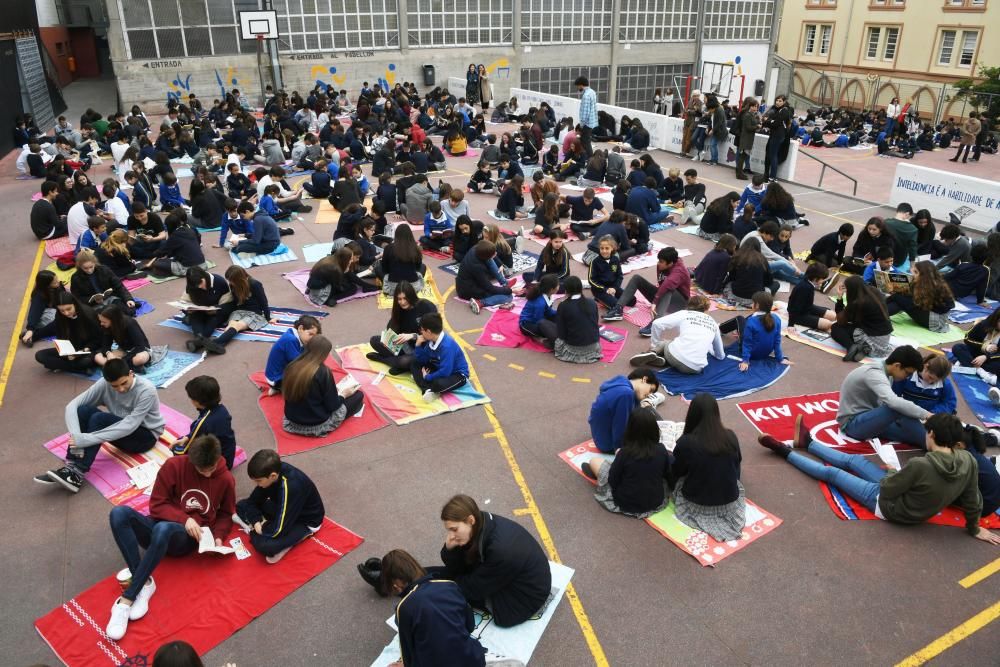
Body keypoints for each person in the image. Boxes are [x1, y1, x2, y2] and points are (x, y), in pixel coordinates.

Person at [757, 413, 1000, 544]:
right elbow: (973, 498)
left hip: (889, 505)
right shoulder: (967, 460)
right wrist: (974, 528)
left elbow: (888, 487)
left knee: (834, 473)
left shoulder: (921, 464)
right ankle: (807, 443)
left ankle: (783, 451)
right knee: (856, 462)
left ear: (932, 434)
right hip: (906, 498)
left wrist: (894, 471)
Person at [105, 434, 235, 640]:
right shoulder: (174, 465)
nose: (209, 474)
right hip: (160, 526)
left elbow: (226, 513)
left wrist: (218, 537)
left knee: (163, 529)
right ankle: (145, 583)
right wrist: (184, 518)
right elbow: (156, 504)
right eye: (203, 470)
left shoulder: (225, 477)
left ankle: (127, 599)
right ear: (192, 462)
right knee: (118, 513)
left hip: (184, 540)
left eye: (212, 468)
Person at [34, 358, 164, 493]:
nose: (120, 389)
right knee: (83, 410)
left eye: (124, 383)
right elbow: (72, 406)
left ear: (131, 373)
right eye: (114, 386)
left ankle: (77, 473)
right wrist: (77, 438)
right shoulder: (104, 384)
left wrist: (87, 439)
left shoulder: (146, 390)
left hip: (145, 437)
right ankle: (71, 466)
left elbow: (129, 425)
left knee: (99, 419)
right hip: (121, 428)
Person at [370, 549, 487, 667]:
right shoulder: (450, 585)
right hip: (474, 660)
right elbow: (470, 625)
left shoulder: (404, 607)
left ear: (396, 585)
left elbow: (408, 653)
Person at [671, 393, 745, 540]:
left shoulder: (686, 442)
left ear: (692, 415)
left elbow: (677, 472)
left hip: (696, 505)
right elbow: (737, 469)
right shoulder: (730, 436)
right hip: (730, 504)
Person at [234, 449, 325, 563]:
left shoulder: (291, 486)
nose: (257, 485)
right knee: (241, 505)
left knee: (265, 546)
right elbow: (251, 502)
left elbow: (278, 530)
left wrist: (260, 529)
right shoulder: (272, 473)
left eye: (258, 481)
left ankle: (296, 538)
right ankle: (268, 531)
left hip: (305, 521)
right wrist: (256, 522)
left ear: (272, 476)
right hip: (284, 508)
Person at [582, 407, 671, 518]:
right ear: (654, 429)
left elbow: (613, 480)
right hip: (655, 501)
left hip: (626, 502)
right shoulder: (661, 449)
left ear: (630, 429)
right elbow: (666, 473)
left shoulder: (625, 452)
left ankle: (596, 474)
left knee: (594, 461)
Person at [836, 345, 930, 446]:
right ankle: (931, 442)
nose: (907, 377)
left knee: (912, 433)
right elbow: (894, 403)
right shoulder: (875, 374)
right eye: (907, 373)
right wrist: (927, 415)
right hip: (852, 424)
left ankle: (934, 443)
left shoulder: (887, 369)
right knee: (897, 408)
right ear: (897, 365)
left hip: (870, 417)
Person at [282, 335, 364, 436]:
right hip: (317, 423)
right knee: (358, 396)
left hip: (292, 421)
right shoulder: (322, 372)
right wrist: (343, 395)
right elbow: (332, 406)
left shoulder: (291, 365)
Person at [630, 295, 725, 373]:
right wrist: (710, 350)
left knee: (667, 343)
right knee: (679, 355)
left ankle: (653, 352)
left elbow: (656, 323)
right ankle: (662, 361)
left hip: (675, 356)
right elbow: (720, 355)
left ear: (689, 305)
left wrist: (654, 344)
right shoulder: (714, 323)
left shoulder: (685, 313)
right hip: (695, 368)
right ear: (707, 308)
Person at [366, 281, 438, 374]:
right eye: (399, 299)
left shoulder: (426, 306)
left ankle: (382, 359)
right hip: (406, 346)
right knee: (374, 340)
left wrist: (413, 336)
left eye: (405, 298)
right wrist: (388, 338)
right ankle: (399, 364)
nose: (402, 302)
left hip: (424, 349)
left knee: (403, 361)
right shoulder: (399, 309)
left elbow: (434, 334)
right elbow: (391, 327)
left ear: (411, 296)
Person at [200, 265, 272, 355]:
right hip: (239, 311)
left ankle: (215, 343)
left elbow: (264, 302)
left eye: (232, 280)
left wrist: (268, 317)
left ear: (239, 279)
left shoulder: (255, 284)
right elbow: (235, 301)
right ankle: (218, 345)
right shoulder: (233, 285)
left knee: (237, 326)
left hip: (254, 314)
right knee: (231, 325)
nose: (230, 282)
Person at [169, 375, 237, 469]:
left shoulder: (203, 423)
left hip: (216, 465)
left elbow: (186, 450)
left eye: (191, 398)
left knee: (178, 455)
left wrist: (175, 449)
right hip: (228, 456)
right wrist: (187, 437)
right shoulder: (222, 409)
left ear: (198, 402)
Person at [588, 368, 661, 454]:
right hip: (608, 445)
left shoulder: (622, 384)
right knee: (649, 440)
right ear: (644, 379)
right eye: (651, 390)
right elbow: (620, 427)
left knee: (645, 410)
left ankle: (650, 403)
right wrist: (621, 452)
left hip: (600, 437)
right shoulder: (626, 394)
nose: (649, 395)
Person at [33, 291, 103, 373]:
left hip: (87, 349)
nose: (66, 313)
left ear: (74, 304)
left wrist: (83, 351)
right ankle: (78, 369)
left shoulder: (88, 314)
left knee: (85, 361)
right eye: (62, 311)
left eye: (69, 309)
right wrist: (66, 351)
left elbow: (98, 339)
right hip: (71, 349)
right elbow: (60, 336)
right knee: (40, 355)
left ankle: (68, 366)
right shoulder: (60, 316)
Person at [832, 275, 895, 361]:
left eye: (847, 290)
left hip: (873, 338)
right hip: (885, 337)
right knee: (851, 326)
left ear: (851, 290)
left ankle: (851, 347)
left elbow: (840, 321)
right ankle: (862, 348)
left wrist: (839, 298)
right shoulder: (875, 291)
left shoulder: (858, 303)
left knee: (836, 328)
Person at [411, 312, 470, 402]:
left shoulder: (447, 346)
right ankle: (427, 389)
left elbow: (446, 372)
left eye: (422, 330)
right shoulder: (430, 340)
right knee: (414, 363)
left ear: (429, 332)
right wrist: (418, 345)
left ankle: (428, 386)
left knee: (438, 383)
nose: (421, 332)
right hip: (439, 368)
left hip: (456, 374)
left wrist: (428, 377)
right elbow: (423, 360)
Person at [726, 290, 790, 371]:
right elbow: (777, 340)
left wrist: (745, 361)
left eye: (753, 302)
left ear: (757, 305)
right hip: (765, 353)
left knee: (739, 318)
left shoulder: (751, 321)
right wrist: (780, 358)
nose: (752, 304)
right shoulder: (776, 318)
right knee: (746, 320)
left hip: (753, 354)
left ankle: (720, 329)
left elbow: (747, 343)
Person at [886, 260, 955, 332]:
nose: (913, 274)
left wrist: (896, 295)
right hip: (929, 313)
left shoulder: (935, 286)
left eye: (916, 272)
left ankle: (879, 314)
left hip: (936, 320)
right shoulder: (922, 281)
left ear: (924, 275)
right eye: (913, 271)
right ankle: (879, 310)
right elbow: (910, 297)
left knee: (900, 300)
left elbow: (913, 303)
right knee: (899, 297)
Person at [264, 315, 322, 394]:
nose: (312, 338)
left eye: (314, 336)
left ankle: (279, 388)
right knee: (309, 382)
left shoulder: (295, 335)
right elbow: (298, 363)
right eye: (310, 334)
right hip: (276, 379)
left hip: (278, 375)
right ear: (301, 328)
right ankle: (279, 388)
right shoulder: (290, 339)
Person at [70, 249, 137, 314]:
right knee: (105, 318)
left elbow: (119, 286)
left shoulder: (104, 269)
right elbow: (77, 298)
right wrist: (91, 300)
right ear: (80, 266)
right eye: (85, 268)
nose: (89, 270)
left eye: (91, 267)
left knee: (128, 311)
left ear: (94, 263)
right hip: (93, 306)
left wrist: (128, 299)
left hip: (110, 298)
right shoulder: (76, 278)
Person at [553, 275, 602, 364]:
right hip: (594, 346)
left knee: (544, 325)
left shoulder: (563, 305)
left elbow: (561, 333)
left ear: (566, 290)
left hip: (573, 348)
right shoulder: (592, 303)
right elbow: (595, 323)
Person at [456, 240, 514, 313]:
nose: (496, 254)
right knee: (508, 297)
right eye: (494, 253)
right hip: (468, 291)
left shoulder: (476, 248)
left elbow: (490, 257)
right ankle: (480, 302)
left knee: (490, 260)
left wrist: (500, 264)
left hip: (463, 284)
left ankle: (504, 283)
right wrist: (508, 290)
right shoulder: (477, 267)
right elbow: (489, 288)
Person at [891, 354, 956, 415]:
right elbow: (894, 395)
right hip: (904, 412)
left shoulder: (945, 383)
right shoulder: (907, 375)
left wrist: (933, 413)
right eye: (930, 377)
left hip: (928, 417)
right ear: (926, 366)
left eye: (936, 381)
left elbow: (949, 403)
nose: (931, 382)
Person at [94, 304, 151, 372]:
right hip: (124, 350)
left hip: (139, 350)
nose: (101, 324)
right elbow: (106, 344)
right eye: (101, 321)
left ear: (113, 320)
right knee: (98, 357)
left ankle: (116, 367)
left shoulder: (130, 323)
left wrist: (122, 359)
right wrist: (108, 353)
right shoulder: (107, 326)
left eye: (104, 322)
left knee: (139, 359)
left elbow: (140, 346)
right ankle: (127, 367)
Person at [952, 308, 1000, 387]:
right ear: (995, 319)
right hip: (975, 352)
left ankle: (968, 365)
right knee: (958, 347)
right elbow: (967, 338)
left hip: (991, 358)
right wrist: (984, 346)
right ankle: (981, 372)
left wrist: (986, 357)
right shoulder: (983, 324)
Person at [788, 263, 838, 332]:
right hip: (799, 315)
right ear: (815, 278)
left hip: (807, 308)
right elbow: (795, 308)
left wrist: (824, 310)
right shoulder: (804, 288)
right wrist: (790, 324)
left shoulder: (809, 282)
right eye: (822, 279)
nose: (823, 281)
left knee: (833, 315)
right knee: (828, 324)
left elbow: (809, 305)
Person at [378, 224, 426, 295]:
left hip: (394, 287)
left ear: (396, 234)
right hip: (413, 287)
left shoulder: (388, 248)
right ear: (410, 234)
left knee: (378, 268)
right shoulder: (415, 248)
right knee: (423, 266)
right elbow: (418, 267)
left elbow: (385, 268)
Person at [519, 274, 559, 348]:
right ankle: (540, 340)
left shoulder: (547, 295)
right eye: (557, 285)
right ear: (551, 289)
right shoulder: (540, 303)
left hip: (539, 318)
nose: (559, 287)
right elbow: (539, 321)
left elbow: (549, 311)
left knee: (558, 317)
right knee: (551, 329)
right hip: (527, 325)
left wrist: (559, 313)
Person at [762, 95, 791, 182]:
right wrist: (770, 121)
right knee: (770, 154)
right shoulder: (776, 110)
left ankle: (772, 176)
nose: (778, 102)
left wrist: (769, 121)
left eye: (780, 101)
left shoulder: (784, 111)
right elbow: (767, 121)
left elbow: (775, 123)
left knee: (773, 155)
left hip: (778, 136)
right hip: (775, 135)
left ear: (784, 102)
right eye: (777, 100)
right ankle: (769, 175)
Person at [884, 203, 917, 270]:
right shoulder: (913, 229)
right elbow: (912, 249)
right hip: (898, 261)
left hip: (883, 259)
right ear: (907, 214)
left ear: (897, 211)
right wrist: (912, 266)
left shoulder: (885, 222)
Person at [575, 76, 598, 157]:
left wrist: (581, 125)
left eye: (578, 86)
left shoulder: (586, 96)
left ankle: (590, 159)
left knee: (585, 142)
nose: (577, 88)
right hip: (592, 122)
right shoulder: (592, 92)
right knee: (586, 141)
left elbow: (585, 112)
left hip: (587, 123)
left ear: (581, 85)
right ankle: (589, 158)